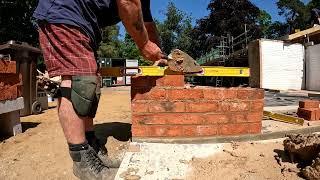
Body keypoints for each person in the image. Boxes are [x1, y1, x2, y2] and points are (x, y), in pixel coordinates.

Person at [32, 0, 166, 179]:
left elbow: (146, 24)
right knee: (79, 84)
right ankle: (82, 162)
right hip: (65, 12)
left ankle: (91, 148)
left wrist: (159, 55)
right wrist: (144, 45)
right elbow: (128, 2)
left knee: (90, 88)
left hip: (85, 24)